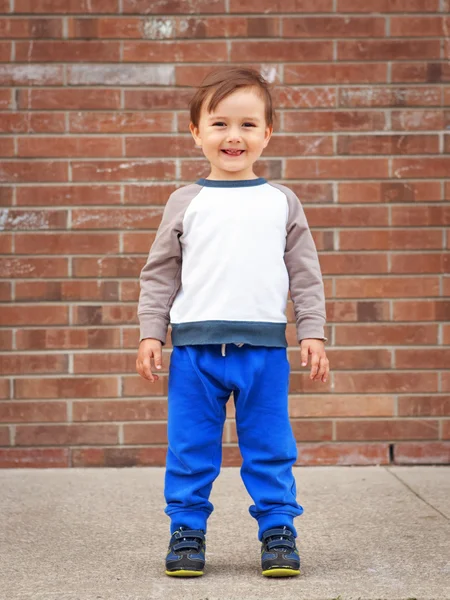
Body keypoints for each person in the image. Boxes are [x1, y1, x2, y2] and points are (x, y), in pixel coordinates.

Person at [136, 66, 329, 578]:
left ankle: (278, 531)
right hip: (195, 354)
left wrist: (312, 331)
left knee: (269, 448)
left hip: (264, 353)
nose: (233, 136)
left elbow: (304, 273)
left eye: (247, 125)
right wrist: (151, 333)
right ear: (196, 132)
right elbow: (160, 273)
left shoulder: (281, 201)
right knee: (190, 449)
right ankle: (186, 532)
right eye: (219, 124)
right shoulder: (186, 201)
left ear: (267, 133)